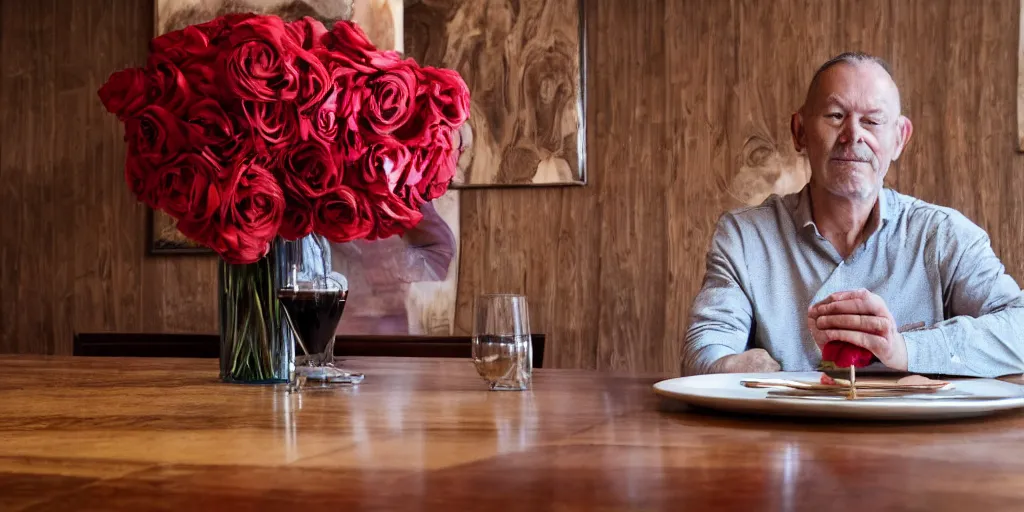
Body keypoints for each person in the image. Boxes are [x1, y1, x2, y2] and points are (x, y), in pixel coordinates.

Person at [681, 52, 1024, 378]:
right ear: (799, 131)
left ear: (900, 139)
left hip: (914, 438)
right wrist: (736, 367)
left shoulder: (943, 235)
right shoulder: (744, 237)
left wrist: (904, 348)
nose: (853, 135)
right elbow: (704, 351)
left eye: (873, 121)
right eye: (835, 116)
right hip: (785, 435)